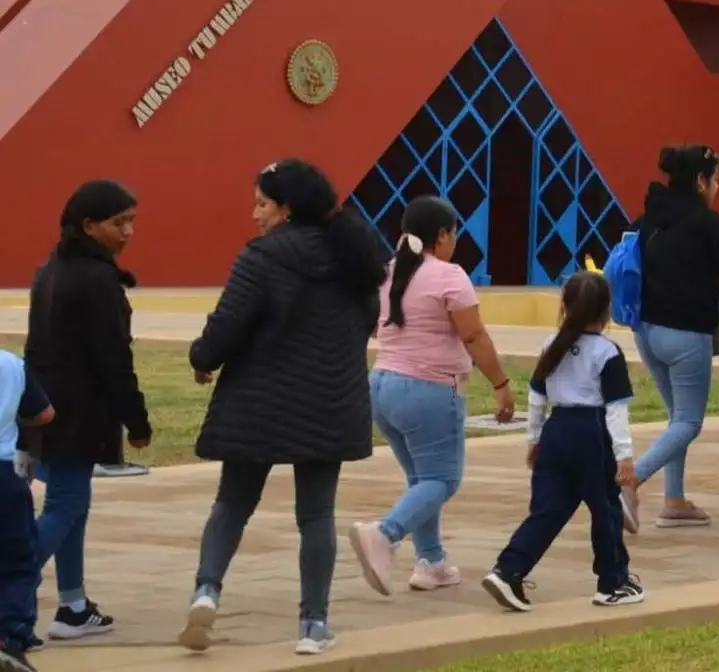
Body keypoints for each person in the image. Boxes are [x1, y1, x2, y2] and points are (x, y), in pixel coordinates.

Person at [181, 159, 388, 656]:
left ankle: (207, 590)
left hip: (259, 400)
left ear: (287, 208)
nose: (254, 215)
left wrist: (202, 358)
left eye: (261, 204)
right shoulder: (355, 255)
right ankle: (314, 624)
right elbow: (366, 321)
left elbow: (229, 322)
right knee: (316, 514)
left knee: (232, 502)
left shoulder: (261, 257)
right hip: (329, 401)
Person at [350, 196, 515, 597]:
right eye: (454, 233)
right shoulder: (449, 275)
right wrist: (500, 383)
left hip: (382, 387)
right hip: (428, 391)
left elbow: (373, 324)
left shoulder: (388, 272)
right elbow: (473, 335)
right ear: (442, 235)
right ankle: (385, 533)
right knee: (443, 479)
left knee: (422, 480)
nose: (455, 241)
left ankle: (432, 562)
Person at [24, 182, 151, 642]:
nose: (129, 231)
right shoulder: (96, 279)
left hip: (49, 408)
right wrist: (137, 421)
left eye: (132, 220)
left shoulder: (50, 270)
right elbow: (114, 358)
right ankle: (10, 582)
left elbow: (35, 348)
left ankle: (73, 606)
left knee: (71, 506)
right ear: (89, 225)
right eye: (120, 222)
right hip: (79, 411)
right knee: (65, 506)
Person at [482, 273, 641, 612]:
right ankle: (613, 582)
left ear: (564, 306)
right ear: (607, 310)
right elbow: (615, 410)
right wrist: (624, 456)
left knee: (547, 510)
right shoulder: (607, 351)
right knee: (606, 510)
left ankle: (509, 569)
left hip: (556, 431)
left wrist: (534, 440)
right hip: (591, 432)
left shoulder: (549, 345)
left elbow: (537, 398)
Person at [630, 145, 719, 529]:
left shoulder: (647, 220)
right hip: (686, 336)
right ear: (701, 181)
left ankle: (674, 500)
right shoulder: (711, 224)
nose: (718, 187)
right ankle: (629, 480)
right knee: (689, 423)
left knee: (677, 418)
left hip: (646, 332)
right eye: (716, 179)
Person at [0, 348, 53, 671]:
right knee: (19, 560)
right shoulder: (11, 363)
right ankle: (10, 636)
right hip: (3, 474)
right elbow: (44, 413)